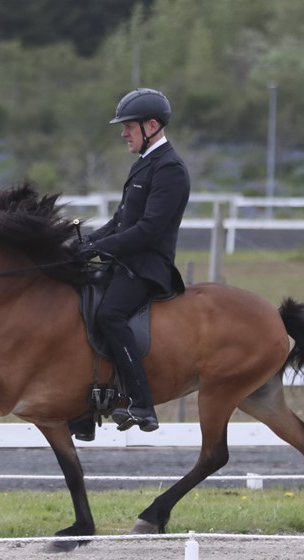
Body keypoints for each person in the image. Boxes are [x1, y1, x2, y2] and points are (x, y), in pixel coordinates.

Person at [76, 88, 191, 432]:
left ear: (151, 125)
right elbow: (119, 221)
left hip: (147, 267)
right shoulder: (144, 164)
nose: (123, 133)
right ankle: (88, 404)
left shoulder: (170, 169)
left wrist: (102, 249)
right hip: (124, 260)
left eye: (128, 126)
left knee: (110, 315)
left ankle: (142, 402)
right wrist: (82, 244)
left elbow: (149, 230)